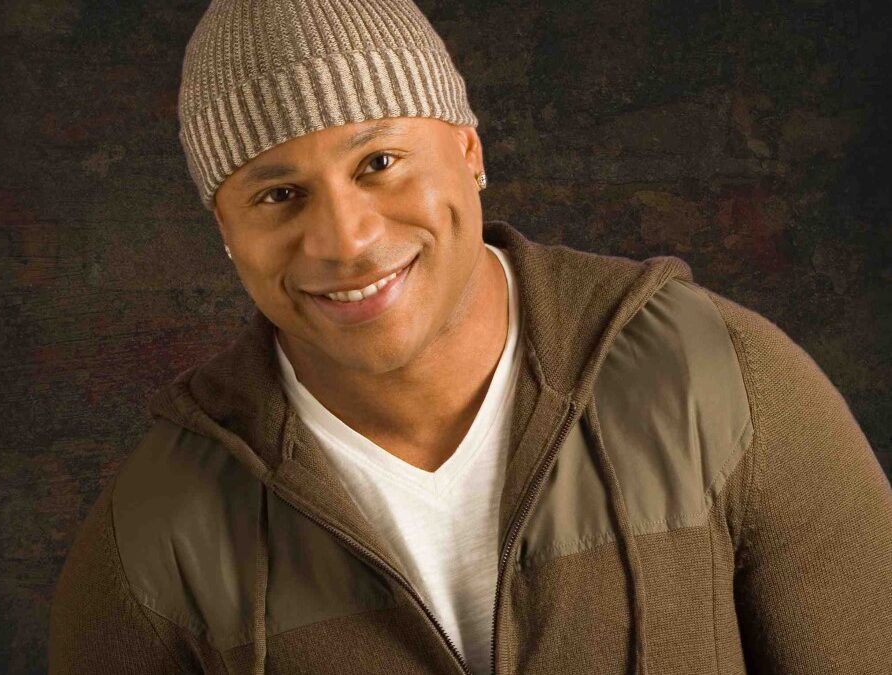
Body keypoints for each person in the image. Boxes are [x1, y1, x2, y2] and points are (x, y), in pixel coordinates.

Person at [48, 1, 892, 674]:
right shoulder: (156, 533)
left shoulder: (718, 380)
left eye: (379, 162)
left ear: (469, 149)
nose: (345, 239)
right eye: (277, 196)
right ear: (226, 232)